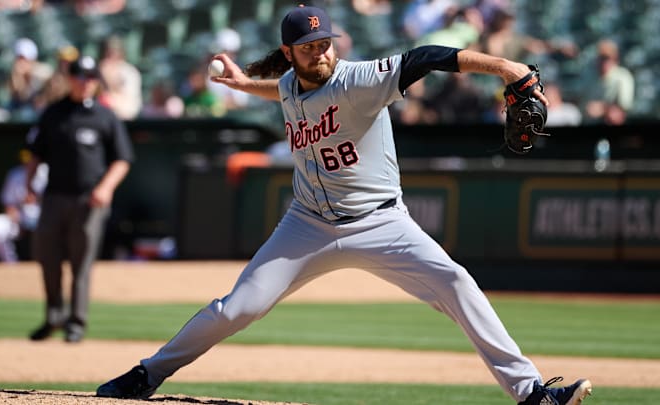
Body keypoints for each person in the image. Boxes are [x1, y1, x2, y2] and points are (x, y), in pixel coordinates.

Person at [96, 5, 592, 405]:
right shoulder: (291, 82)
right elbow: (287, 92)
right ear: (290, 53)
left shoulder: (358, 79)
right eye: (310, 47)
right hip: (306, 225)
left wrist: (504, 67)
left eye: (326, 42)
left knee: (456, 282)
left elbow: (426, 57)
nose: (322, 53)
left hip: (382, 223)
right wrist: (244, 85)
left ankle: (529, 392)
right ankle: (147, 374)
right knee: (235, 309)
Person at [25, 55, 134, 343]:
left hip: (89, 200)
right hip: (54, 196)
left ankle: (76, 322)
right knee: (47, 258)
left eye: (90, 77)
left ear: (96, 82)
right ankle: (53, 316)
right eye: (80, 76)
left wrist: (106, 188)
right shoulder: (54, 113)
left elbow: (122, 159)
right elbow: (36, 153)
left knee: (80, 263)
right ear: (70, 78)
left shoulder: (105, 116)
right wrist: (28, 184)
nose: (85, 82)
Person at [0, 149, 48, 263]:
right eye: (26, 160)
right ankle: (11, 264)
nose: (28, 163)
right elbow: (9, 203)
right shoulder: (15, 174)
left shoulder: (48, 173)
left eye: (32, 159)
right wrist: (14, 214)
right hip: (21, 220)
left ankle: (54, 263)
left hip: (46, 220)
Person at [581, 39, 635, 126]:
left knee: (614, 115)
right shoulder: (589, 75)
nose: (604, 62)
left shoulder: (623, 76)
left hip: (612, 120)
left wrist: (603, 109)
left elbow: (624, 106)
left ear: (615, 59)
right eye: (601, 58)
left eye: (607, 59)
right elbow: (582, 101)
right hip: (590, 120)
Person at [5, 37, 53, 121]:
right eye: (19, 58)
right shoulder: (16, 74)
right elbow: (17, 96)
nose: (21, 62)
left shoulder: (43, 71)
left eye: (23, 58)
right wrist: (17, 76)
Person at [97, 35, 142, 120]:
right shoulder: (100, 69)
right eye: (108, 52)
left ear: (121, 53)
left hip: (125, 121)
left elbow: (131, 109)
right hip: (101, 119)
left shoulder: (129, 72)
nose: (111, 56)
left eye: (115, 52)